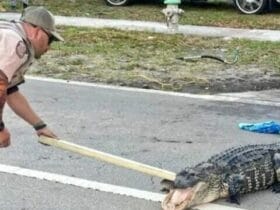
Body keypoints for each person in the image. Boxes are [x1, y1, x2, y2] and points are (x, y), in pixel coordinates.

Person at [0, 6, 64, 147]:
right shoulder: (14, 42)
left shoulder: (9, 35)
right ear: (37, 31)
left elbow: (10, 92)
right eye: (50, 39)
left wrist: (39, 126)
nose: (48, 48)